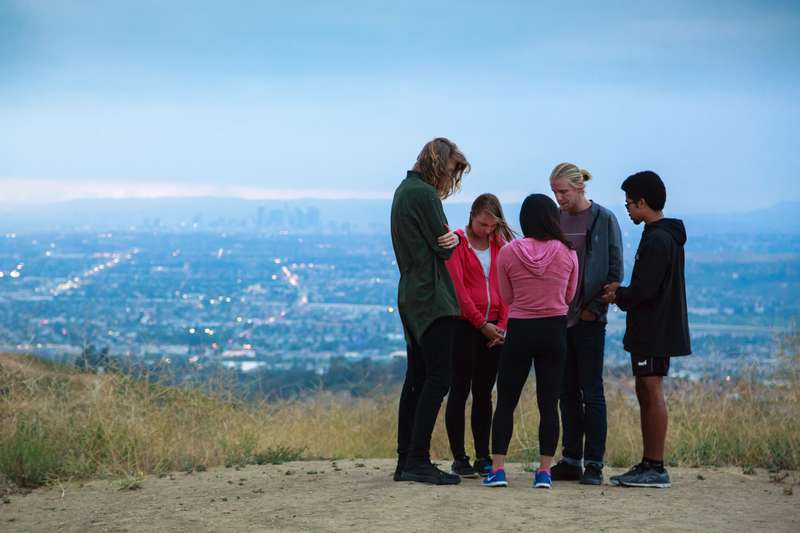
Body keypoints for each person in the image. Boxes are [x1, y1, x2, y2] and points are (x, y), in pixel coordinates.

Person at [602, 170, 691, 488]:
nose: (626, 209)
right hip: (653, 328)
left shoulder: (658, 239)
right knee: (645, 389)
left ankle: (655, 466)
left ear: (642, 202)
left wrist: (618, 294)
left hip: (654, 329)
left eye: (629, 203)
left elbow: (645, 290)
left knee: (652, 392)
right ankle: (649, 463)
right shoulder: (662, 235)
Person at [482, 194, 578, 489]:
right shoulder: (568, 252)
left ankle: (498, 470)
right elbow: (568, 297)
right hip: (554, 330)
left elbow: (507, 297)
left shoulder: (510, 252)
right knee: (549, 403)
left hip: (520, 329)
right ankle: (545, 472)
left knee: (506, 402)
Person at [391, 137, 471, 485]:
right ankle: (418, 459)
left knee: (418, 378)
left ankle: (405, 458)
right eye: (452, 171)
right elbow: (442, 245)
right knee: (439, 377)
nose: (451, 180)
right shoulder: (423, 194)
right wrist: (454, 238)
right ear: (439, 164)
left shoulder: (403, 190)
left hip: (411, 293)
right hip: (432, 296)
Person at [549, 163, 623, 485]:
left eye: (563, 191)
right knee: (566, 390)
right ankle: (570, 459)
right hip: (559, 318)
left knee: (591, 391)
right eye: (555, 192)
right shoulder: (555, 220)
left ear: (580, 188)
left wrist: (594, 309)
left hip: (590, 318)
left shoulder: (603, 218)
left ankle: (594, 463)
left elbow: (614, 268)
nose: (559, 197)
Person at [443, 193, 513, 478]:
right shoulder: (458, 243)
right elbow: (457, 289)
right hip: (465, 326)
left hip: (495, 327)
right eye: (483, 224)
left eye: (491, 225)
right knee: (459, 390)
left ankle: (484, 455)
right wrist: (479, 322)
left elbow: (508, 289)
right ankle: (460, 456)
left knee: (484, 393)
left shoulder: (502, 247)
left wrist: (503, 325)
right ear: (472, 216)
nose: (486, 230)